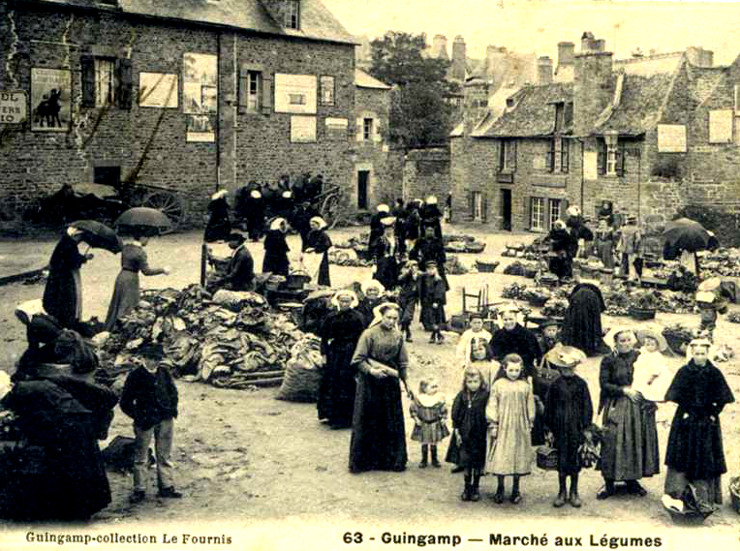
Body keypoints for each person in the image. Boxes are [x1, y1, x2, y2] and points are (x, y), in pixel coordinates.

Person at [2, 333, 117, 520]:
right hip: (76, 421)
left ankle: (73, 511)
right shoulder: (39, 382)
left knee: (71, 468)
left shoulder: (26, 390)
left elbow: (33, 416)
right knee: (81, 467)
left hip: (70, 425)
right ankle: (81, 507)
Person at [664, 339, 734, 506]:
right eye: (697, 354)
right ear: (692, 354)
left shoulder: (714, 373)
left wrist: (713, 413)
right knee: (682, 452)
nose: (700, 357)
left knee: (705, 454)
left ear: (707, 354)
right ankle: (678, 492)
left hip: (707, 421)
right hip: (686, 420)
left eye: (703, 354)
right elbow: (674, 394)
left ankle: (704, 496)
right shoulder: (684, 372)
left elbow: (724, 397)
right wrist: (686, 410)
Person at [349, 303, 413, 473]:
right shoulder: (369, 334)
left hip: (389, 382)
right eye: (388, 318)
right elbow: (358, 359)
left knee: (389, 420)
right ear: (381, 317)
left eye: (395, 319)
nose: (391, 321)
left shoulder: (398, 335)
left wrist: (406, 382)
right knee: (368, 418)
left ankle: (390, 460)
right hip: (370, 383)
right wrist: (371, 371)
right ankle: (364, 461)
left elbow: (402, 361)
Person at [597, 328, 660, 500]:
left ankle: (631, 480)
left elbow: (654, 374)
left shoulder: (640, 356)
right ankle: (609, 482)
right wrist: (624, 390)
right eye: (622, 341)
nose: (626, 344)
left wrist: (651, 394)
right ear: (615, 343)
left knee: (634, 441)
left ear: (633, 341)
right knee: (612, 441)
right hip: (617, 403)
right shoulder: (608, 360)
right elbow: (604, 384)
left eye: (628, 340)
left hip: (638, 405)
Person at [120, 357, 181, 503]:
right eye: (152, 358)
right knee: (141, 456)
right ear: (143, 358)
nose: (155, 362)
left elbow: (173, 393)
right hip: (145, 421)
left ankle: (166, 487)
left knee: (164, 454)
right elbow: (125, 402)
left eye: (158, 359)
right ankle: (139, 490)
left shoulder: (164, 373)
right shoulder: (135, 375)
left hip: (165, 418)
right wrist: (138, 416)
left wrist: (171, 408)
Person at [543, 346, 593, 508]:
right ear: (559, 368)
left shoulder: (581, 384)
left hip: (576, 427)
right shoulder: (555, 385)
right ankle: (562, 491)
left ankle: (574, 491)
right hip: (559, 428)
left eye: (571, 367)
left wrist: (586, 427)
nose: (568, 371)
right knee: (561, 460)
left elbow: (587, 407)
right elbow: (549, 406)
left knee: (575, 459)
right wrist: (549, 429)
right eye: (564, 368)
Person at [486, 354, 535, 505]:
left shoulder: (525, 386)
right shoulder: (498, 385)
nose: (514, 373)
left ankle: (516, 489)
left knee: (518, 456)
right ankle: (500, 488)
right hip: (503, 426)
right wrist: (493, 424)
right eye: (511, 370)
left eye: (517, 370)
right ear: (504, 369)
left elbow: (530, 406)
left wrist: (530, 422)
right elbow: (492, 404)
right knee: (502, 455)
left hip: (520, 426)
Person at [317, 290, 365, 429]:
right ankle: (331, 415)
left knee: (346, 382)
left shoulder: (357, 317)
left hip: (350, 352)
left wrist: (359, 356)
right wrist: (324, 354)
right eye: (342, 301)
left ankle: (346, 418)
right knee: (332, 381)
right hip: (335, 352)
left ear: (352, 302)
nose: (344, 303)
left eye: (347, 301)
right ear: (337, 301)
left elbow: (361, 338)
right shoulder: (331, 317)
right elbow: (324, 338)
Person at [105, 233, 170, 331]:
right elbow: (146, 271)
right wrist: (163, 270)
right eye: (147, 237)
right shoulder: (140, 253)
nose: (148, 241)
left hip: (121, 276)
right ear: (142, 237)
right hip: (131, 279)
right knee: (128, 305)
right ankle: (119, 329)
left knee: (117, 303)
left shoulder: (126, 248)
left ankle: (110, 326)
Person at [450, 366, 490, 502]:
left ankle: (476, 487)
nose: (473, 385)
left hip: (479, 432)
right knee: (466, 462)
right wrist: (456, 430)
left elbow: (490, 411)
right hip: (464, 433)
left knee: (477, 462)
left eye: (475, 381)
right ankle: (467, 488)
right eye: (470, 382)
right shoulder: (462, 395)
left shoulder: (485, 395)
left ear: (481, 381)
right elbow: (455, 413)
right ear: (465, 382)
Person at [43, 226, 93, 330]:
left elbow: (67, 258)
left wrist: (81, 258)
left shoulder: (65, 242)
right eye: (80, 237)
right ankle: (68, 323)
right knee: (68, 299)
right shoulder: (69, 244)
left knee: (60, 300)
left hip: (59, 276)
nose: (80, 240)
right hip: (65, 277)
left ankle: (63, 321)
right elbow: (71, 261)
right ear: (76, 235)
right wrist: (84, 258)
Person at [560, 277, 609, 357]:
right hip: (591, 299)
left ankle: (576, 344)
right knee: (589, 321)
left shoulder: (576, 292)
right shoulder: (595, 293)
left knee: (575, 321)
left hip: (578, 299)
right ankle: (588, 346)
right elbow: (598, 314)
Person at [410, 376, 449, 468]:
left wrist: (443, 418)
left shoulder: (439, 398)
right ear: (424, 388)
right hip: (424, 424)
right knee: (424, 442)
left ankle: (434, 459)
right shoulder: (419, 399)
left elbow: (443, 409)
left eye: (436, 386)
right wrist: (416, 419)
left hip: (434, 423)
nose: (435, 389)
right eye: (432, 387)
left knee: (433, 442)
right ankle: (424, 460)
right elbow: (413, 410)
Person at [632, 328, 672, 403]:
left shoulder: (656, 356)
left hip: (653, 374)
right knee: (640, 380)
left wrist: (652, 377)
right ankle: (640, 392)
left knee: (652, 386)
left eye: (652, 345)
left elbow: (657, 368)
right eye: (647, 344)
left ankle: (651, 396)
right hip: (644, 371)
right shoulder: (644, 352)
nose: (649, 347)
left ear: (657, 346)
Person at [410, 225, 448, 289]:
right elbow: (413, 253)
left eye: (431, 231)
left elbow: (442, 256)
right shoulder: (420, 241)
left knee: (439, 281)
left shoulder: (438, 241)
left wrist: (436, 263)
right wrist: (418, 260)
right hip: (423, 264)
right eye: (428, 230)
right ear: (425, 231)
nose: (429, 232)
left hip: (436, 263)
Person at [418, 261, 446, 343]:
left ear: (436, 269)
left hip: (435, 303)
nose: (430, 271)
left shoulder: (438, 279)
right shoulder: (424, 277)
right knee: (429, 320)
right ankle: (434, 336)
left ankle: (439, 336)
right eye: (429, 269)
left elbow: (440, 291)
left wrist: (436, 301)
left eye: (432, 269)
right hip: (426, 303)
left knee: (434, 320)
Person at [304, 216, 332, 287]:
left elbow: (327, 245)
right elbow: (306, 243)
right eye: (311, 225)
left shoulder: (323, 235)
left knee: (321, 270)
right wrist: (306, 249)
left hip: (321, 255)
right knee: (310, 269)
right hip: (311, 255)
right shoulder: (310, 233)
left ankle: (322, 285)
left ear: (318, 225)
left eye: (313, 225)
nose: (312, 227)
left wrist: (315, 249)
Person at [396, 260, 420, 342]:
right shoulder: (405, 275)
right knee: (401, 316)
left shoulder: (420, 275)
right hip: (403, 298)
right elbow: (400, 279)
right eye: (412, 266)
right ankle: (407, 333)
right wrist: (408, 272)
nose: (414, 268)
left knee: (407, 317)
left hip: (412, 299)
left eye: (415, 266)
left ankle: (403, 332)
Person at [373, 217, 399, 291]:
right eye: (387, 229)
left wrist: (399, 257)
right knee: (382, 278)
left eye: (390, 229)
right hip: (383, 262)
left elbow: (400, 250)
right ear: (384, 230)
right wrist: (375, 264)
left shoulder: (396, 239)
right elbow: (376, 252)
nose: (389, 231)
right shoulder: (381, 239)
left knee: (394, 277)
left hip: (393, 261)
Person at [618, 215, 642, 284]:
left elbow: (620, 237)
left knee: (623, 262)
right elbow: (638, 239)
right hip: (631, 248)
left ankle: (621, 275)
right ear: (634, 222)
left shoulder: (623, 228)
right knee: (631, 262)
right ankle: (631, 276)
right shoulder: (636, 229)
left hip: (623, 247)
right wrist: (636, 248)